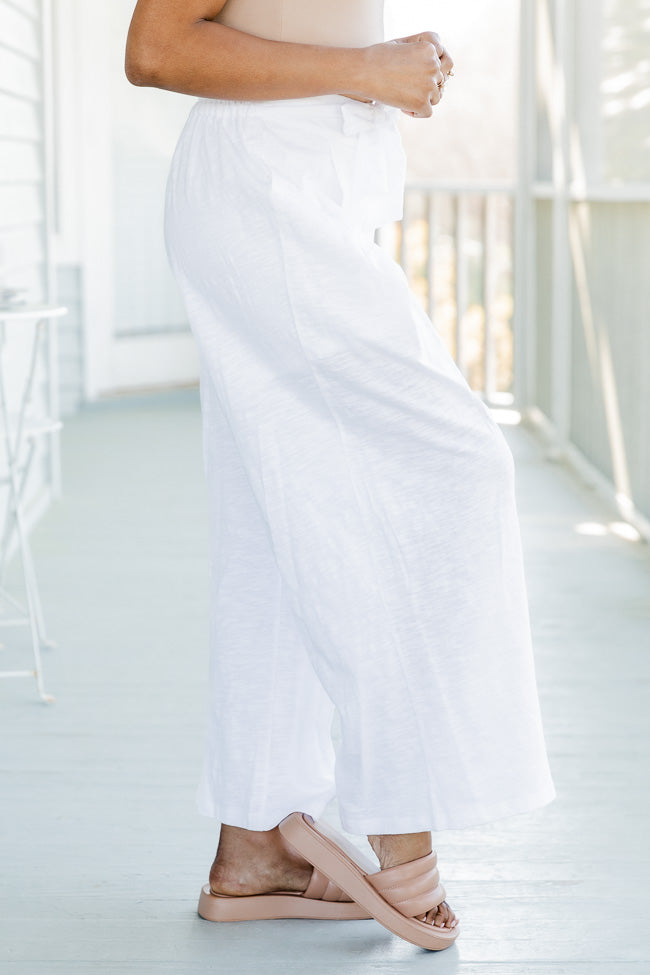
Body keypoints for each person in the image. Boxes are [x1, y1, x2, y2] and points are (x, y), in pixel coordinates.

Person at [125, 0, 557, 951]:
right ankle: (400, 810)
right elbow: (156, 47)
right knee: (452, 465)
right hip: (264, 192)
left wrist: (391, 58)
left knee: (279, 515)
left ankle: (255, 843)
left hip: (302, 190)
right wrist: (368, 71)